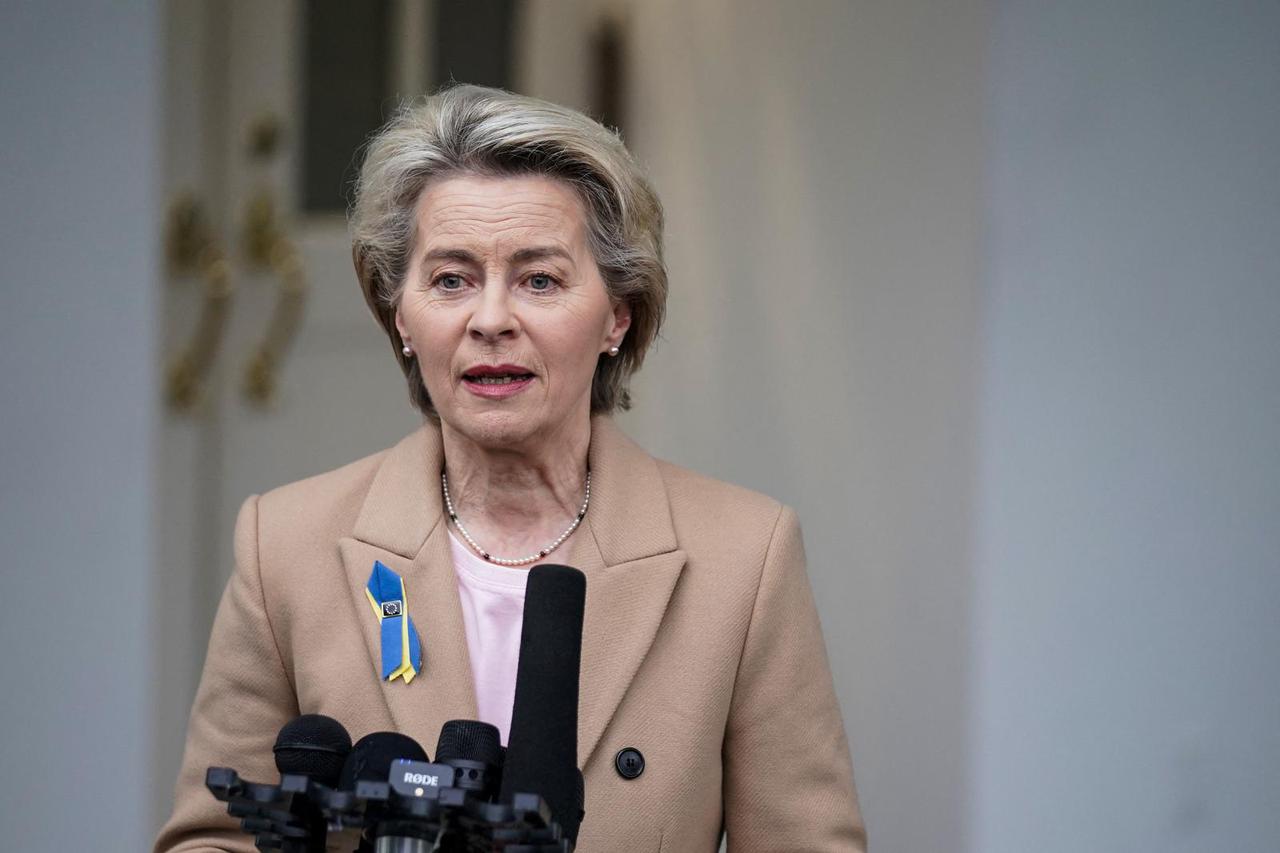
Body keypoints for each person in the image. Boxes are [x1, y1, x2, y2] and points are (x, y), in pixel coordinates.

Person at [155, 84, 865, 852]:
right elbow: (212, 839)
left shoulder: (744, 557)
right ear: (400, 312)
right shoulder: (283, 544)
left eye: (540, 279)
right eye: (452, 279)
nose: (491, 319)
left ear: (617, 316)